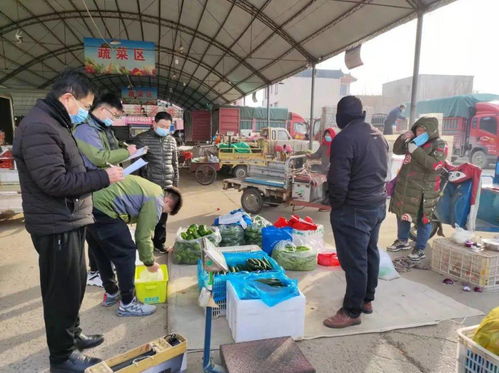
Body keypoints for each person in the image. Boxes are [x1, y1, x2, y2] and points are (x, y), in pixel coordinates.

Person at [12, 70, 124, 373]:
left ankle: (73, 335)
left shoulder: (54, 123)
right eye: (86, 107)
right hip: (56, 223)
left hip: (68, 219)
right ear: (68, 98)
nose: (85, 113)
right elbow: (54, 181)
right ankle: (62, 358)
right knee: (61, 290)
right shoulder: (39, 127)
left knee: (73, 285)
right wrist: (104, 177)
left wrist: (98, 174)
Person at [324, 96, 388, 329]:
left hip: (354, 208)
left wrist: (337, 204)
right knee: (370, 252)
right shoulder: (378, 135)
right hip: (377, 205)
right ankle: (366, 300)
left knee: (354, 261)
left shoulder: (344, 139)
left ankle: (351, 311)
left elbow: (338, 180)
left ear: (341, 117)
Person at [87, 175, 183, 316]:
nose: (160, 214)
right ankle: (127, 303)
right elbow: (143, 236)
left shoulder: (150, 188)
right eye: (164, 212)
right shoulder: (156, 200)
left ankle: (112, 292)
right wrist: (149, 262)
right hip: (103, 210)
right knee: (126, 252)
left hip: (87, 205)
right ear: (167, 201)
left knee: (101, 251)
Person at [73, 92, 137, 287]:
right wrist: (127, 152)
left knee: (100, 239)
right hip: (92, 189)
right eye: (115, 115)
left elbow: (112, 147)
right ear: (102, 109)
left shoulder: (102, 128)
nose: (115, 120)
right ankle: (104, 279)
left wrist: (124, 147)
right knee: (106, 240)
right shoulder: (85, 129)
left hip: (104, 185)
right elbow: (99, 157)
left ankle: (107, 284)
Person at [387, 117, 447, 261]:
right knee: (403, 214)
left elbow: (435, 165)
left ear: (431, 131)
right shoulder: (414, 142)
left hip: (424, 190)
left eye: (424, 130)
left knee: (423, 220)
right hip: (406, 186)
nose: (420, 132)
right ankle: (402, 241)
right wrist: (403, 138)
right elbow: (397, 149)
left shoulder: (439, 144)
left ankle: (420, 248)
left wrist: (416, 151)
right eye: (418, 129)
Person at [132, 111, 179, 254]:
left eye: (168, 127)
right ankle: (143, 246)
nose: (165, 129)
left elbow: (174, 163)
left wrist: (175, 184)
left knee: (162, 218)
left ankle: (159, 244)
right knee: (147, 218)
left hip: (167, 185)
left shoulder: (172, 140)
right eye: (162, 126)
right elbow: (136, 165)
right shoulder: (142, 139)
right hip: (150, 185)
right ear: (154, 124)